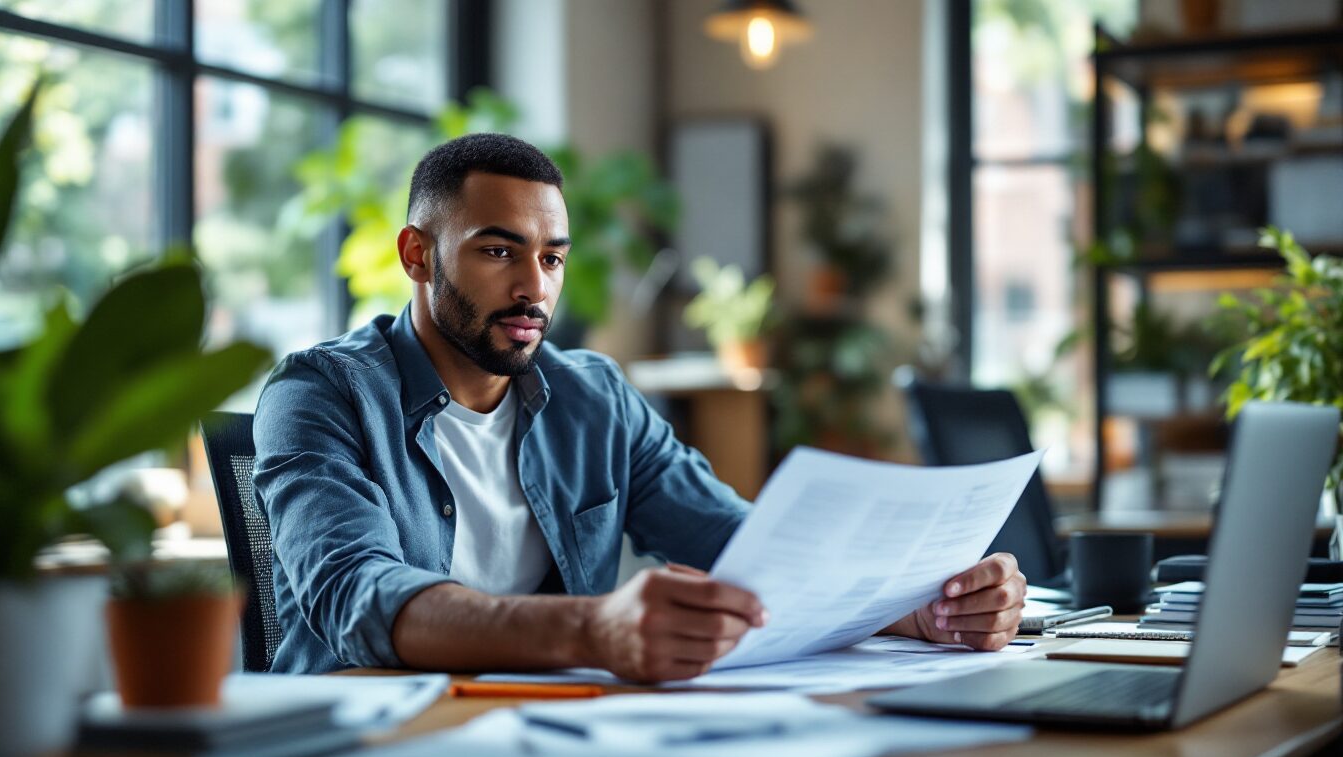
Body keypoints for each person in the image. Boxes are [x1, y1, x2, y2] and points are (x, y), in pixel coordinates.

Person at [253, 133, 1026, 679]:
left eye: (551, 257)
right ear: (418, 255)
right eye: (498, 251)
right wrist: (594, 629)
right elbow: (357, 596)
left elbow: (743, 547)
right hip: (372, 737)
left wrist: (917, 610)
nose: (534, 287)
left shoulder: (596, 399)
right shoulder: (319, 395)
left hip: (547, 732)